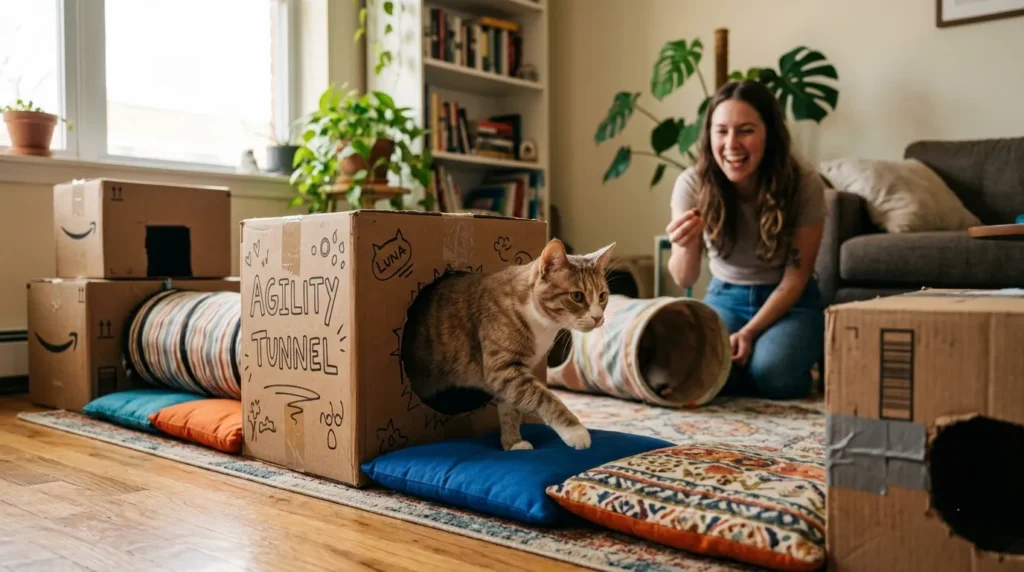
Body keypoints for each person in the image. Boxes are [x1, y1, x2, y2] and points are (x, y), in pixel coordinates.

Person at [666, 79, 826, 400]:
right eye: (721, 131)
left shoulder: (804, 183)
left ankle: (765, 364)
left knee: (773, 376)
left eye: (746, 130)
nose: (731, 144)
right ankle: (738, 372)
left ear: (769, 133)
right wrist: (685, 244)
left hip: (791, 302)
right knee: (699, 370)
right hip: (725, 296)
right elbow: (685, 277)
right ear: (709, 134)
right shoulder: (692, 184)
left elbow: (796, 278)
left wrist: (749, 333)